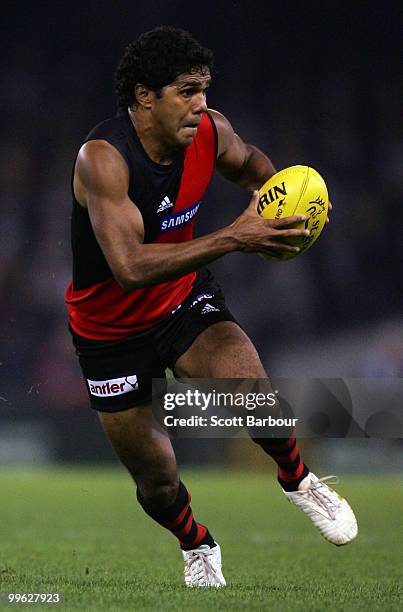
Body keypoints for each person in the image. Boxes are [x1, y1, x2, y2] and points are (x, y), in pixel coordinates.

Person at [65, 26, 357, 587]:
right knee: (157, 480)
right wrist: (234, 236)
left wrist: (289, 203)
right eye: (186, 91)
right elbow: (127, 267)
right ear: (145, 96)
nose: (201, 104)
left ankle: (300, 482)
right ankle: (197, 544)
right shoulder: (102, 159)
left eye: (203, 89)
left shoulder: (212, 130)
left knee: (251, 392)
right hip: (109, 331)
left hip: (182, 302)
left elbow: (252, 165)